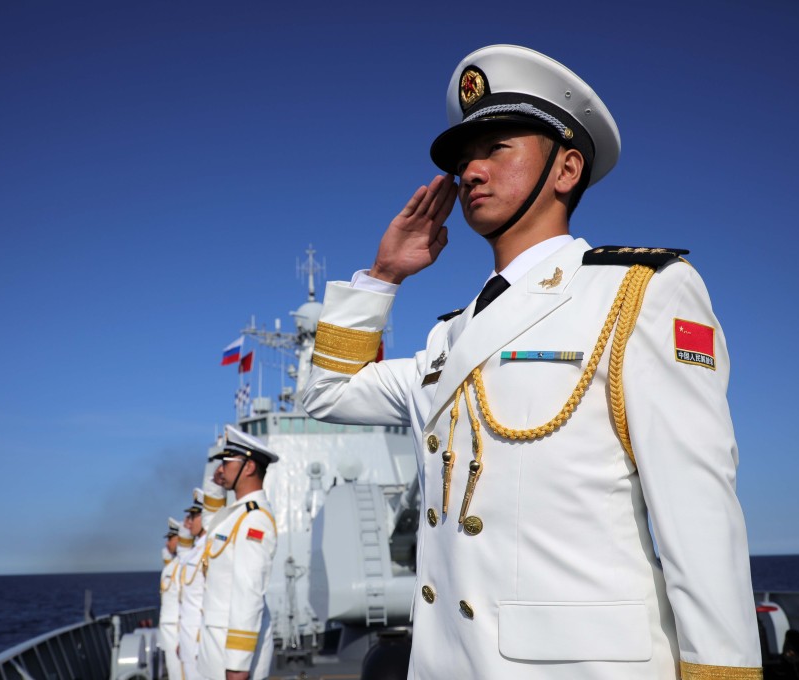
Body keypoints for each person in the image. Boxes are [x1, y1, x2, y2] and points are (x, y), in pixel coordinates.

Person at [301, 44, 762, 679]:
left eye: (496, 149)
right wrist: (383, 276)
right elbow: (328, 393)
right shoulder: (449, 340)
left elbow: (697, 510)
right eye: (464, 160)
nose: (471, 172)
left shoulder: (637, 293)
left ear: (566, 168)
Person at [197, 424, 279, 680]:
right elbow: (210, 523)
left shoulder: (255, 520)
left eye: (226, 462)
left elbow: (249, 591)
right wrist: (214, 484)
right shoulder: (236, 514)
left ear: (249, 467)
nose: (221, 469)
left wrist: (238, 665)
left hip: (231, 654)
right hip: (216, 642)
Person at [178, 491, 208, 680]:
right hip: (188, 637)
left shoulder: (209, 549)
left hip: (199, 639)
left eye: (192, 516)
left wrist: (200, 644)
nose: (187, 522)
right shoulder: (195, 551)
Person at [159, 518, 185, 680]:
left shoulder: (183, 566)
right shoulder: (173, 565)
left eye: (171, 538)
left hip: (178, 631)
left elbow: (186, 602)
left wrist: (183, 638)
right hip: (170, 632)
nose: (167, 543)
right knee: (174, 672)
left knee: (180, 673)